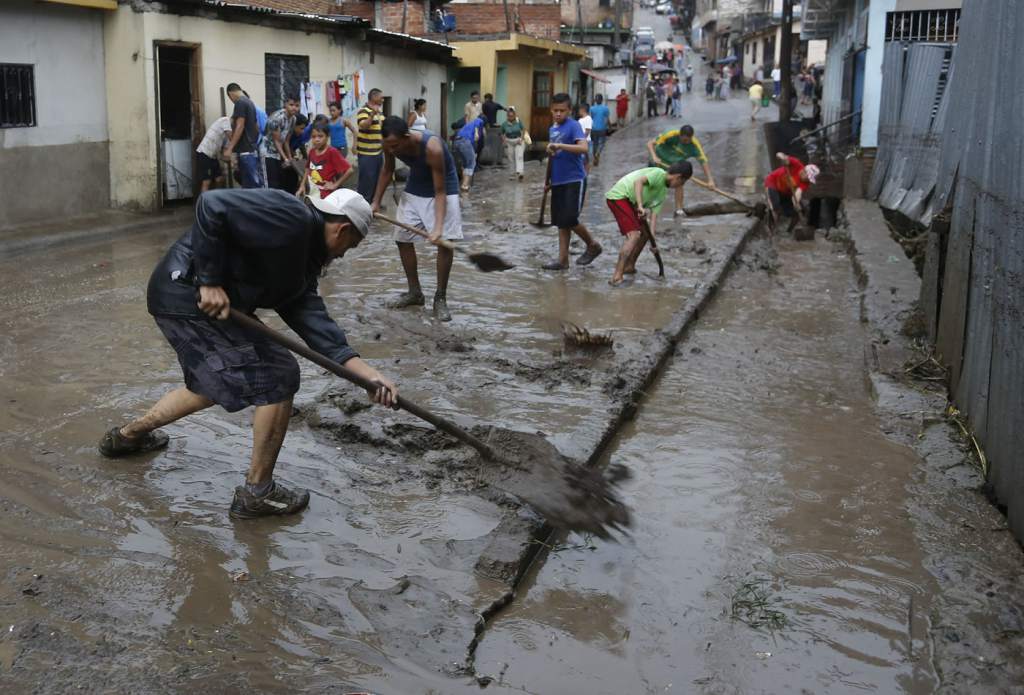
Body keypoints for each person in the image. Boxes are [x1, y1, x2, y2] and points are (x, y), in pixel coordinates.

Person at [97, 188, 397, 519]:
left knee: (208, 385)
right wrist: (209, 281)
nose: (341, 256)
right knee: (279, 374)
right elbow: (212, 205)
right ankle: (258, 493)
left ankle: (127, 438)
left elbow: (316, 325)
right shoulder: (292, 217)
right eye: (350, 246)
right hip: (187, 294)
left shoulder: (302, 270)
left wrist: (365, 375)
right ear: (343, 229)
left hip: (202, 305)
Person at [372, 116, 463, 322]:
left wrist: (438, 228)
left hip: (443, 189)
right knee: (402, 238)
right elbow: (387, 169)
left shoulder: (433, 148)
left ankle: (440, 298)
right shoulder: (388, 143)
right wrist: (375, 201)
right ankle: (415, 293)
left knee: (445, 244)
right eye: (389, 146)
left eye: (395, 145)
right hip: (415, 186)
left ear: (407, 137)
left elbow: (439, 191)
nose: (392, 150)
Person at [605, 162, 693, 285]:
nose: (679, 186)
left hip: (632, 204)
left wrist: (653, 241)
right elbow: (638, 182)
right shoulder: (658, 174)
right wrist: (641, 205)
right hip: (620, 197)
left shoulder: (662, 193)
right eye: (682, 183)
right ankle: (617, 275)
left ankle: (630, 265)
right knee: (634, 235)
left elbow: (654, 216)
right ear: (678, 177)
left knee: (645, 234)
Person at [542, 93, 602, 270]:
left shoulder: (574, 126)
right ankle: (563, 260)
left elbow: (583, 148)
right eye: (555, 110)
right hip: (558, 180)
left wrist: (560, 146)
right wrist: (547, 181)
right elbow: (553, 156)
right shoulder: (552, 129)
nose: (558, 114)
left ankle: (592, 245)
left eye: (562, 110)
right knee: (561, 221)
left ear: (569, 110)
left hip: (575, 179)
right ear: (551, 110)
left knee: (569, 218)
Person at [646, 124, 715, 216]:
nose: (686, 142)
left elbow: (703, 162)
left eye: (688, 140)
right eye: (684, 140)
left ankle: (679, 210)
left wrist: (710, 180)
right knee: (652, 184)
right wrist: (654, 157)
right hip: (659, 161)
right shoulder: (671, 135)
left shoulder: (694, 145)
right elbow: (650, 143)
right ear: (680, 135)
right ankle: (646, 207)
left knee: (680, 183)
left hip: (675, 166)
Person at [297, 123, 353, 199]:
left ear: (327, 136)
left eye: (320, 136)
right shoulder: (312, 151)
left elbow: (350, 170)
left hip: (325, 193)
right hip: (311, 190)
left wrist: (335, 185)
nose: (317, 139)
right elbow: (307, 168)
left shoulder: (332, 152)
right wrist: (302, 185)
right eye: (313, 137)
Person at [223, 83, 263, 188]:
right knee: (252, 183)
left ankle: (255, 204)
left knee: (250, 185)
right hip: (251, 150)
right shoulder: (250, 103)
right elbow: (257, 127)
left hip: (245, 152)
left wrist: (230, 148)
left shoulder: (240, 103)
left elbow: (240, 126)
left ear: (230, 94)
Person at [764, 151, 819, 228]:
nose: (808, 180)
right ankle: (770, 226)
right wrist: (783, 158)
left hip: (785, 191)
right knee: (775, 205)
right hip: (773, 183)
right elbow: (779, 154)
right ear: (804, 171)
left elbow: (797, 194)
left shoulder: (806, 183)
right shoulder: (796, 163)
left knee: (800, 211)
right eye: (808, 178)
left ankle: (789, 230)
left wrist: (796, 204)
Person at [261, 97, 300, 190]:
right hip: (267, 152)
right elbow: (276, 141)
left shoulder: (293, 119)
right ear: (285, 105)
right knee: (271, 183)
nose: (294, 108)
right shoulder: (277, 118)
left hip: (278, 153)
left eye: (297, 106)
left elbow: (286, 141)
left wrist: (290, 158)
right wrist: (285, 158)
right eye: (291, 105)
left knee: (281, 180)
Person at [356, 88, 386, 203]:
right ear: (374, 97)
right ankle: (363, 206)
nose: (383, 100)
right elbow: (364, 125)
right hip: (367, 154)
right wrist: (372, 114)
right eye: (381, 97)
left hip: (378, 152)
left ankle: (373, 205)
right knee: (366, 182)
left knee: (377, 180)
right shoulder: (363, 111)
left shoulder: (380, 112)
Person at [196, 116, 231, 193]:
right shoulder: (226, 120)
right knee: (206, 181)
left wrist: (230, 162)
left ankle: (217, 201)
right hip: (204, 153)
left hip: (213, 156)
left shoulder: (228, 136)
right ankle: (204, 204)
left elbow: (224, 154)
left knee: (219, 179)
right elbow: (232, 137)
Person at [453, 115, 485, 191]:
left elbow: (473, 144)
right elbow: (478, 121)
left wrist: (474, 152)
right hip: (464, 142)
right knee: (471, 163)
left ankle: (465, 184)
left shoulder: (469, 125)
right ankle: (465, 185)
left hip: (457, 141)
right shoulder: (479, 121)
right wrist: (477, 132)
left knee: (465, 164)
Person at [500, 105, 527, 181]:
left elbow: (523, 130)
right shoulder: (504, 124)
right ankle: (512, 174)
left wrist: (521, 139)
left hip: (518, 140)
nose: (510, 115)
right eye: (509, 114)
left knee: (519, 156)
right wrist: (504, 140)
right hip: (509, 141)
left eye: (512, 114)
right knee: (510, 158)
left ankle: (520, 173)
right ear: (507, 115)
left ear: (515, 114)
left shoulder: (518, 122)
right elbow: (501, 133)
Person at [589, 95, 610, 166]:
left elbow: (591, 118)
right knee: (602, 143)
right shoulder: (605, 108)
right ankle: (598, 152)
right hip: (602, 128)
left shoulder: (592, 108)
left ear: (595, 100)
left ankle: (595, 155)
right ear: (602, 100)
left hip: (593, 128)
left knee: (594, 143)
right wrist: (608, 126)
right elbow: (607, 118)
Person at [577, 102, 593, 172]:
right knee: (582, 159)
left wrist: (583, 139)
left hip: (586, 141)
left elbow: (588, 130)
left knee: (586, 160)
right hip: (581, 142)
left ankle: (586, 175)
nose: (578, 111)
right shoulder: (580, 120)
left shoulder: (588, 118)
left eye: (579, 110)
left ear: (582, 109)